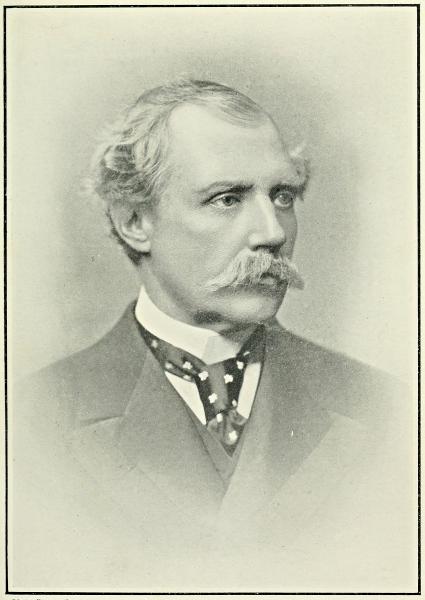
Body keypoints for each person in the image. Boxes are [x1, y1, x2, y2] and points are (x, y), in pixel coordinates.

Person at [12, 79, 414, 591]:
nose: (272, 232)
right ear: (135, 221)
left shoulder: (385, 407)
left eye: (283, 196)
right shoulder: (32, 420)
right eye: (227, 199)